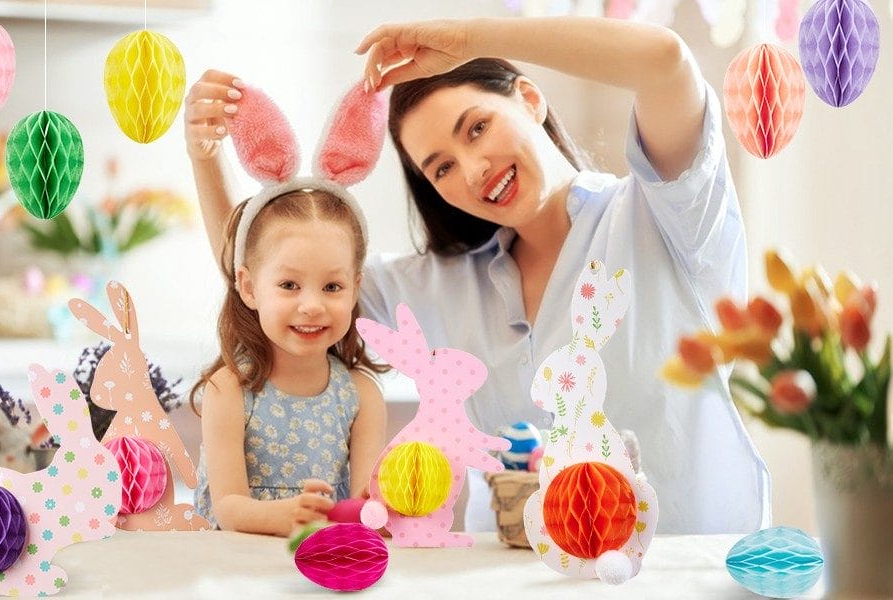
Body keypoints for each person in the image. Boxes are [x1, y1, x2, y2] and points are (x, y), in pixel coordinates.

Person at [185, 16, 770, 535]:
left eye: (477, 128)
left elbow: (666, 63)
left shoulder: (664, 214)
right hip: (509, 577)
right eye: (441, 167)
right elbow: (269, 279)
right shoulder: (443, 282)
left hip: (683, 572)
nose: (473, 169)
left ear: (530, 98)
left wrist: (473, 41)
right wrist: (205, 158)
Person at [189, 81, 389, 535]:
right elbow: (229, 507)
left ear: (356, 288)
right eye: (289, 284)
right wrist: (285, 517)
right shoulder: (230, 389)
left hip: (324, 565)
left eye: (333, 286)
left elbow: (365, 503)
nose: (312, 305)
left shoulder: (361, 396)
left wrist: (383, 510)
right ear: (249, 286)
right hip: (233, 569)